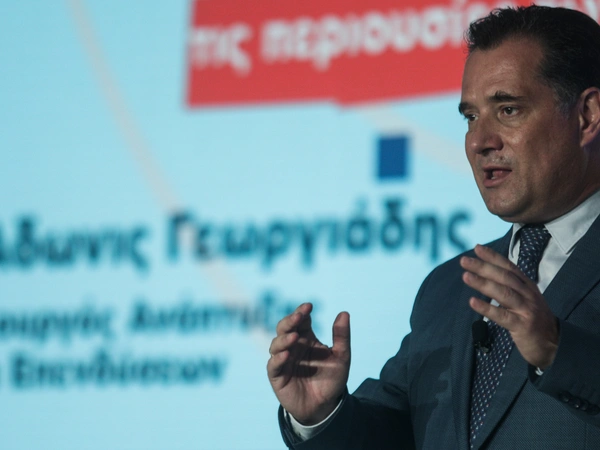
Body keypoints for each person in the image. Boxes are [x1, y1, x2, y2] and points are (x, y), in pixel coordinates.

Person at [267, 5, 600, 450]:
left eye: (508, 110)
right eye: (471, 117)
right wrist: (322, 415)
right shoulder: (449, 288)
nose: (480, 141)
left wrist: (559, 351)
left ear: (587, 115)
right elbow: (400, 432)